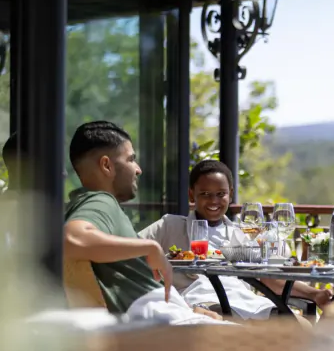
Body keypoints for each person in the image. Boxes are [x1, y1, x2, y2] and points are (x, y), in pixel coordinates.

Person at [63, 121, 225, 325]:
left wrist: (189, 309)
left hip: (170, 317)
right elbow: (72, 238)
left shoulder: (88, 204)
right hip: (163, 327)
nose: (138, 169)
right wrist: (150, 247)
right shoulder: (99, 201)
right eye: (131, 159)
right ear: (106, 165)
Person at [139, 159, 333, 318]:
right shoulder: (170, 226)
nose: (214, 201)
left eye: (220, 194)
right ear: (192, 194)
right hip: (201, 303)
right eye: (205, 194)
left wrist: (315, 294)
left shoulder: (240, 234)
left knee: (300, 326)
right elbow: (133, 247)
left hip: (245, 300)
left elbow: (268, 279)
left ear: (230, 194)